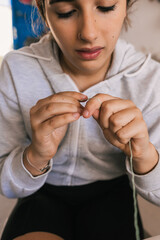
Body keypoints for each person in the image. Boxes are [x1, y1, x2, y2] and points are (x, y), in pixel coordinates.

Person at [1, 0, 160, 239]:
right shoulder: (16, 68)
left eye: (106, 7)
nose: (88, 33)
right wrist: (36, 155)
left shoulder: (150, 80)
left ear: (127, 5)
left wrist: (144, 154)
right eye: (66, 12)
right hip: (41, 197)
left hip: (114, 196)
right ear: (44, 12)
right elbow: (8, 186)